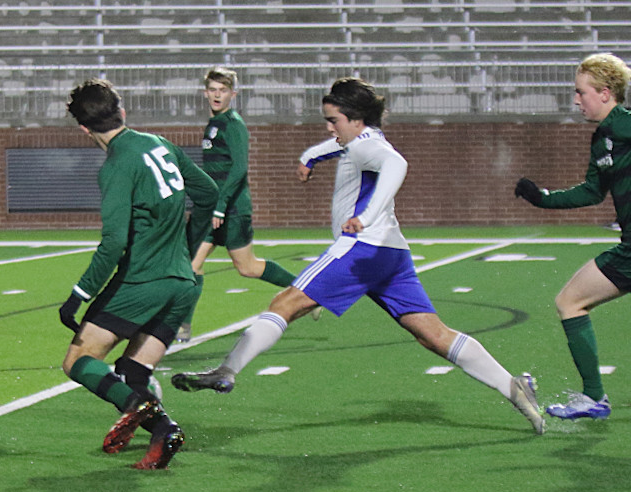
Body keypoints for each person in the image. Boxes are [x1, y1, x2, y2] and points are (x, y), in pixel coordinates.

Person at [172, 77, 544, 435]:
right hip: (391, 252)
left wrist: (364, 217)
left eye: (334, 121)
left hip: (361, 249)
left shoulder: (366, 144)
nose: (331, 128)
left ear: (356, 119)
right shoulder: (360, 140)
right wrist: (310, 158)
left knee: (286, 301)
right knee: (433, 335)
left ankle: (227, 370)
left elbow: (397, 164)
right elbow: (337, 147)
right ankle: (513, 386)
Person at [58, 78, 218, 469]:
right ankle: (164, 430)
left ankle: (141, 408)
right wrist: (183, 246)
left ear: (83, 129)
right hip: (182, 282)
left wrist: (79, 294)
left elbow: (112, 244)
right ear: (122, 112)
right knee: (131, 370)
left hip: (143, 281)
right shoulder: (161, 144)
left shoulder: (117, 165)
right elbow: (209, 193)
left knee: (78, 359)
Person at [514, 52, 631, 420]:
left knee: (569, 302)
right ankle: (593, 398)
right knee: (569, 301)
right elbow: (593, 192)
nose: (576, 100)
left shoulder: (626, 126)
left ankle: (595, 397)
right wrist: (542, 198)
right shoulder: (604, 137)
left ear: (605, 92)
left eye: (581, 92)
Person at [178, 66, 316, 343]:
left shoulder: (233, 124)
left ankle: (308, 293)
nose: (217, 95)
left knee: (248, 267)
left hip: (232, 208)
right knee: (191, 265)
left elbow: (239, 169)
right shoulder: (213, 124)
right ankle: (183, 327)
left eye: (223, 90)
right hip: (214, 207)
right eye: (213, 90)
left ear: (233, 94)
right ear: (206, 93)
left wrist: (221, 206)